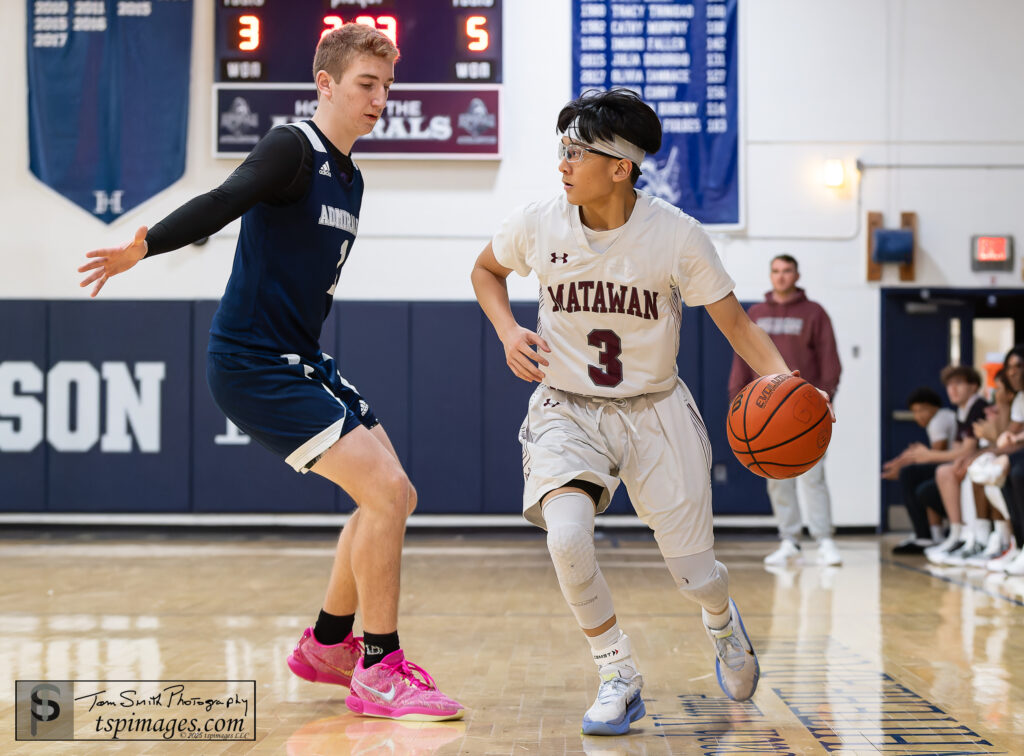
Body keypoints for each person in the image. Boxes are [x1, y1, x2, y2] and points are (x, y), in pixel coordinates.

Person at [77, 25, 463, 722]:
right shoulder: (294, 147)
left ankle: (326, 645)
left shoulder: (353, 176)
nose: (379, 100)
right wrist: (145, 246)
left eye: (387, 88)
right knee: (388, 492)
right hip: (251, 363)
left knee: (391, 498)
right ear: (326, 84)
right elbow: (227, 199)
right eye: (365, 85)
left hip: (301, 360)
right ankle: (380, 667)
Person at [470, 89, 832, 735]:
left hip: (655, 411)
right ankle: (617, 672)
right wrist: (506, 332)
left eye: (576, 152)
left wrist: (790, 385)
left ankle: (721, 623)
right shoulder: (537, 222)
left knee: (695, 575)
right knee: (568, 536)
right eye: (561, 150)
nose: (562, 163)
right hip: (567, 408)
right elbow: (486, 272)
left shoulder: (677, 236)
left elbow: (737, 326)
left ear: (620, 166)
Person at [727, 255, 842, 567]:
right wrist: (736, 399)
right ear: (770, 275)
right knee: (776, 477)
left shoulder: (814, 313)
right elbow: (742, 357)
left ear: (797, 274)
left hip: (803, 411)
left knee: (813, 477)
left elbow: (831, 361)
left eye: (786, 270)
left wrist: (824, 397)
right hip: (764, 411)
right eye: (775, 271)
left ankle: (824, 540)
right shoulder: (757, 312)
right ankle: (789, 539)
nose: (781, 276)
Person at [919, 366, 987, 564]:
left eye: (958, 384)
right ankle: (956, 534)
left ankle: (967, 535)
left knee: (946, 472)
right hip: (974, 459)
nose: (952, 390)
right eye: (949, 385)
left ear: (973, 386)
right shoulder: (961, 411)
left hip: (985, 458)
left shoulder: (979, 406)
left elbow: (967, 449)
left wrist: (928, 455)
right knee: (945, 471)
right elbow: (958, 449)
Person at [883, 386, 957, 554]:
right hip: (949, 469)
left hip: (952, 469)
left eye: (923, 410)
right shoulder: (942, 418)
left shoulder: (938, 420)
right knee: (914, 473)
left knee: (910, 474)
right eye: (915, 412)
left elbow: (935, 456)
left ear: (934, 407)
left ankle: (925, 535)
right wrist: (902, 460)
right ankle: (931, 534)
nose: (919, 416)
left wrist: (902, 464)